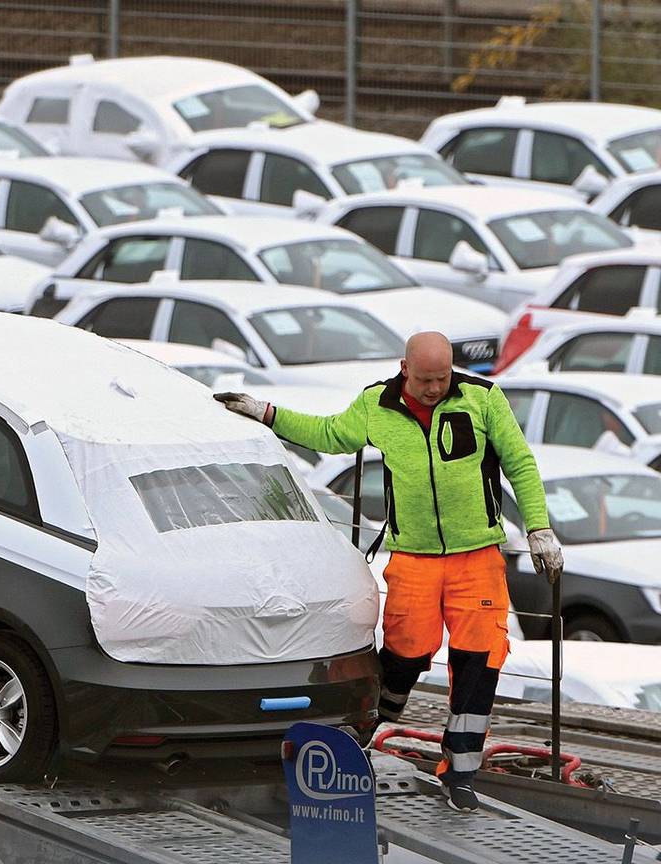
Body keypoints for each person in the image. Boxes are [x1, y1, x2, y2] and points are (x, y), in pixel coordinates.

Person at [217, 331, 564, 813]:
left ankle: (461, 774)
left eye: (441, 378)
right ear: (406, 368)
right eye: (424, 379)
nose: (433, 388)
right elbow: (329, 434)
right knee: (403, 654)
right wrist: (267, 414)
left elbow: (520, 464)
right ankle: (365, 741)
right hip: (415, 558)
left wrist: (539, 529)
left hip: (478, 558)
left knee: (481, 661)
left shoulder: (483, 399)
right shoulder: (376, 404)